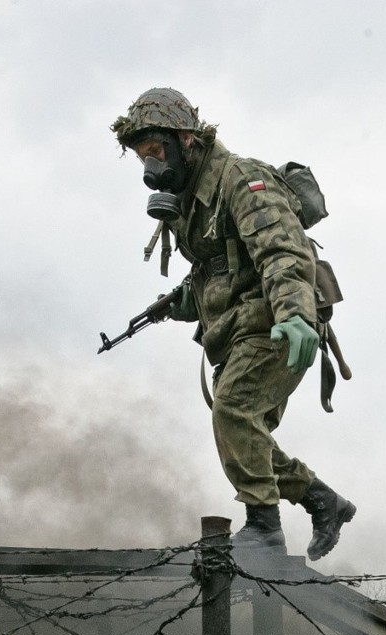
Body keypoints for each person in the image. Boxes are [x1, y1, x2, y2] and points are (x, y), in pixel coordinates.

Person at [111, 87, 356, 559]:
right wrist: (179, 301)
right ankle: (324, 502)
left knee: (232, 412)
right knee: (243, 433)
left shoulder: (239, 178)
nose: (151, 168)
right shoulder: (187, 200)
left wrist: (295, 315)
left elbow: (281, 251)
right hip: (238, 330)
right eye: (143, 158)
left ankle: (264, 529)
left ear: (187, 139)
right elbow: (220, 268)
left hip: (275, 324)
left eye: (157, 152)